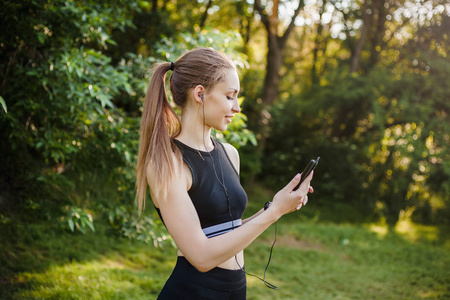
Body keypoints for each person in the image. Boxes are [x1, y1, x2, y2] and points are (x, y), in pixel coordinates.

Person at [135, 47, 314, 299]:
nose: (237, 107)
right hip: (194, 292)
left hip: (235, 290)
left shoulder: (229, 153)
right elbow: (201, 257)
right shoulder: (168, 163)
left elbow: (226, 231)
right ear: (200, 94)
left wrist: (278, 205)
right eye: (230, 96)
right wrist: (273, 213)